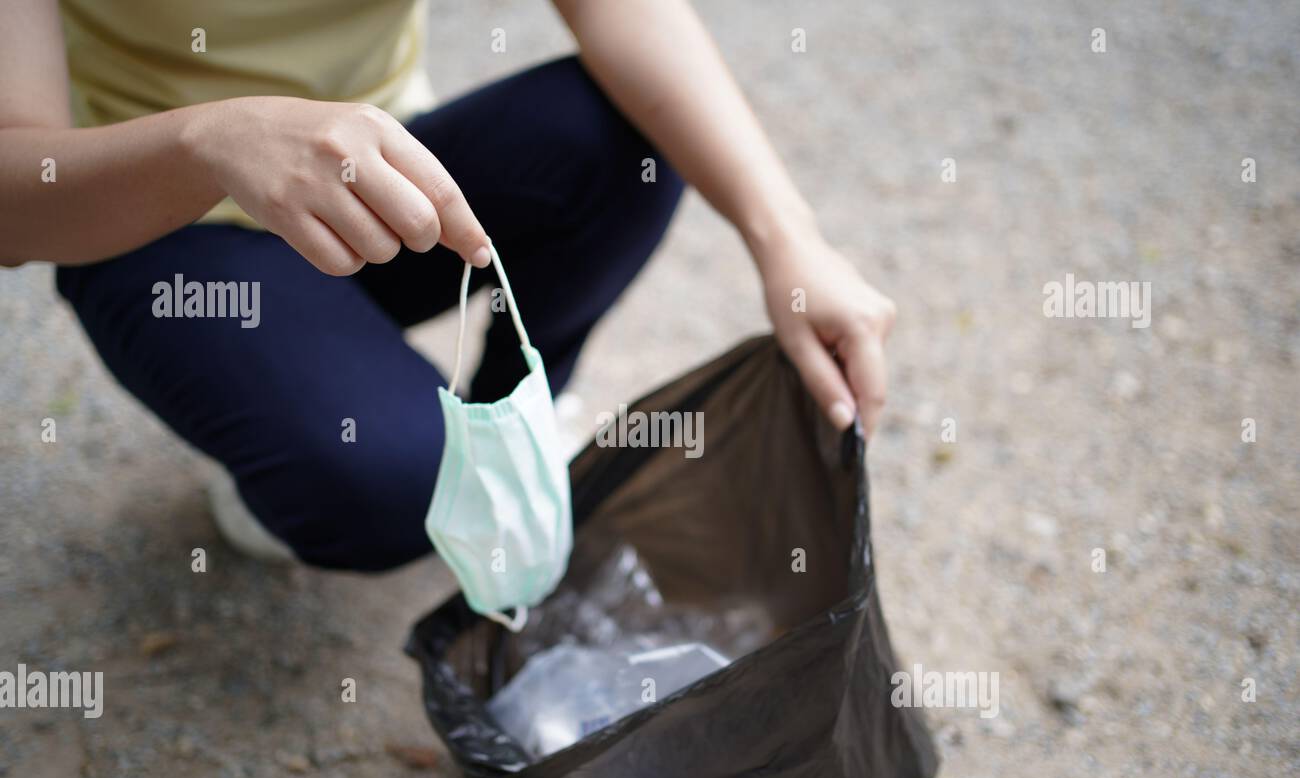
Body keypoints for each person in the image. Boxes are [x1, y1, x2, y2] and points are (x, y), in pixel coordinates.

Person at [1, 0, 897, 571]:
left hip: (380, 176)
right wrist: (206, 141)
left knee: (631, 140)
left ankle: (498, 426)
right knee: (395, 484)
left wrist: (789, 241)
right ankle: (296, 425)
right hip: (155, 218)